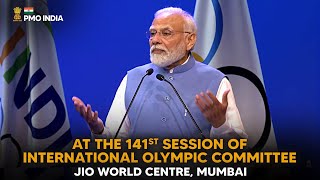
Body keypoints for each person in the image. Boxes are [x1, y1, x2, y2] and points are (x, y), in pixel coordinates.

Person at [72, 7, 247, 139]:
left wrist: (220, 124)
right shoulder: (134, 78)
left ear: (190, 40)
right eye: (153, 33)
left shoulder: (215, 81)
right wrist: (99, 131)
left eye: (166, 33)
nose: (155, 40)